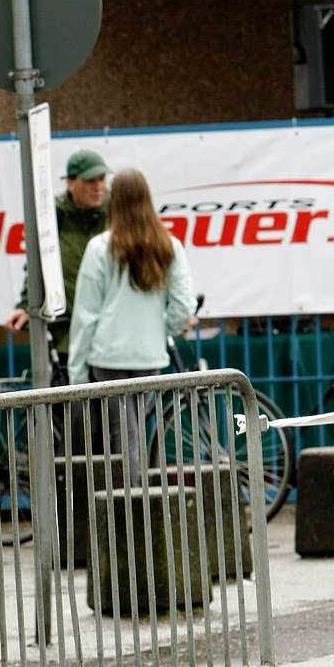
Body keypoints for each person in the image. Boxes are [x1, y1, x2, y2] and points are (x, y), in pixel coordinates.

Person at [67, 168, 197, 478]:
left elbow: (86, 314)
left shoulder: (100, 248)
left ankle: (130, 506)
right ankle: (136, 501)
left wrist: (76, 371)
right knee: (134, 430)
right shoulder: (169, 246)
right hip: (149, 356)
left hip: (107, 356)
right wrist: (161, 329)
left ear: (114, 202)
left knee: (122, 436)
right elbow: (183, 305)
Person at [5, 148, 109, 364]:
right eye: (91, 181)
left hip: (111, 332)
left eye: (102, 179)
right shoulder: (52, 216)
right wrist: (26, 306)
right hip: (68, 334)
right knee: (74, 396)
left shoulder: (116, 212)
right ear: (71, 183)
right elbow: (36, 267)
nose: (99, 187)